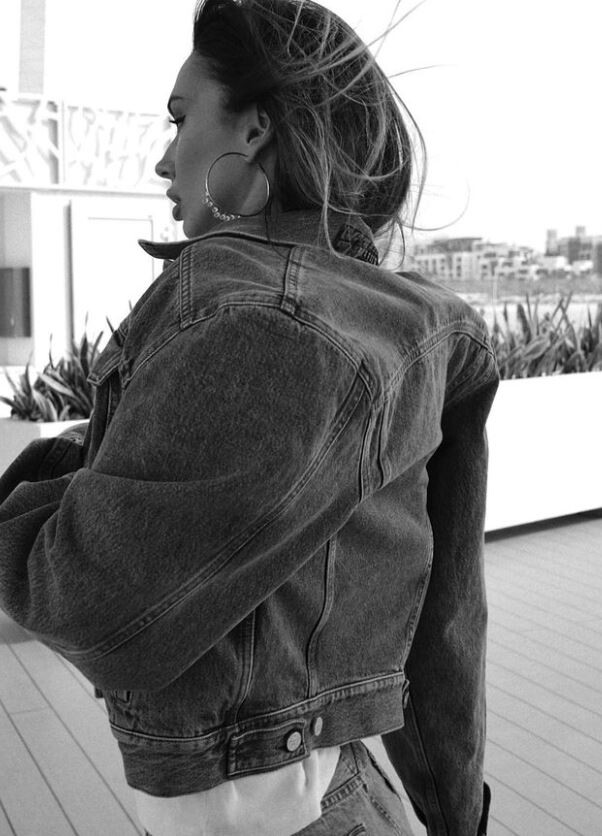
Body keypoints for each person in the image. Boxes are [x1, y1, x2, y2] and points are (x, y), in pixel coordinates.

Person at [0, 0, 497, 833]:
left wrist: (40, 492)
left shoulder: (259, 325)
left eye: (180, 117)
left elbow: (90, 600)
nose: (164, 158)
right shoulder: (373, 319)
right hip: (327, 798)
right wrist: (454, 808)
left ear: (257, 129)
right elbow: (444, 634)